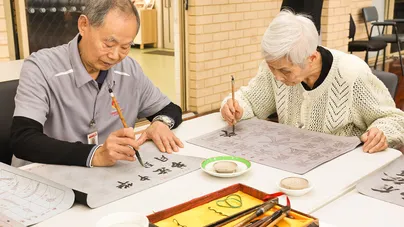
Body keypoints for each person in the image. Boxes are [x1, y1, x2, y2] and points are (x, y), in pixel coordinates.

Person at [10, 0, 183, 167]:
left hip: (105, 179)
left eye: (125, 47)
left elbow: (170, 109)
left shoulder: (129, 70)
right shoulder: (41, 67)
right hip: (46, 178)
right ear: (83, 25)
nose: (115, 56)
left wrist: (160, 123)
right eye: (108, 44)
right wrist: (95, 154)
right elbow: (23, 139)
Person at [221, 10, 404, 153]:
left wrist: (381, 133)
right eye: (272, 67)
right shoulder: (276, 69)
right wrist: (233, 106)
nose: (277, 77)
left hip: (341, 168)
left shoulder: (352, 74)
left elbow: (394, 119)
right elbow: (248, 100)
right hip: (289, 161)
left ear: (311, 57)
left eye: (285, 70)